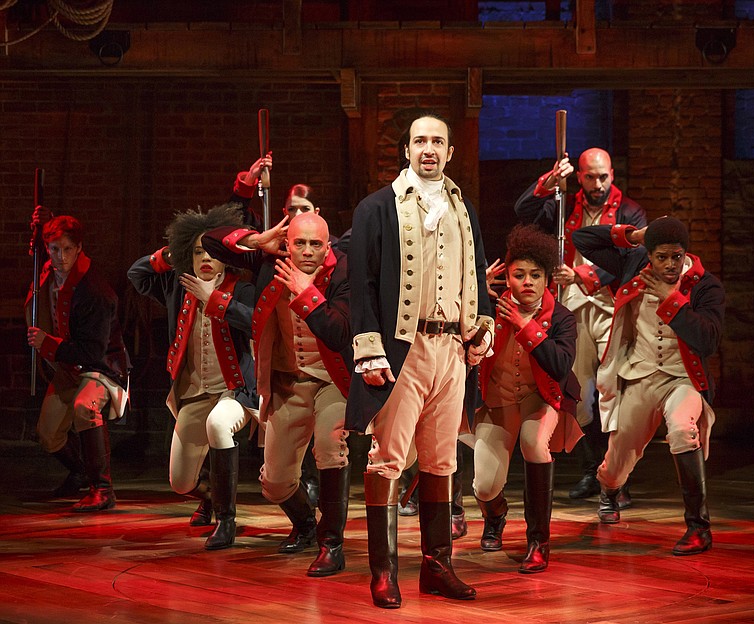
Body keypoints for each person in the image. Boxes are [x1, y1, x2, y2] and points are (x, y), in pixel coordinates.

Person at [346, 111, 494, 608]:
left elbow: (475, 276)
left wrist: (482, 327)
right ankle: (383, 570)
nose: (428, 149)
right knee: (387, 459)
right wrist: (368, 350)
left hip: (451, 348)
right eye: (419, 141)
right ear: (407, 150)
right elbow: (361, 286)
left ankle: (437, 565)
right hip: (400, 349)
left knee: (441, 460)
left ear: (450, 152)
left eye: (437, 142)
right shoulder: (375, 208)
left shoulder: (463, 209)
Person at [202, 211, 352, 577]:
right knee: (275, 481)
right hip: (288, 380)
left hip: (334, 380)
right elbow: (209, 241)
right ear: (288, 244)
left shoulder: (344, 270)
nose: (306, 252)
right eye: (299, 243)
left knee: (330, 447)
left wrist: (307, 293)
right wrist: (257, 241)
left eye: (315, 244)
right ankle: (306, 526)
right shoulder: (272, 260)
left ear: (327, 245)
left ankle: (332, 544)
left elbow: (341, 332)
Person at [572, 216, 724, 556]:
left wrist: (672, 299)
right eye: (662, 256)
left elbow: (708, 339)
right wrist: (633, 235)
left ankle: (699, 527)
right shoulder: (632, 263)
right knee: (616, 463)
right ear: (649, 254)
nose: (670, 265)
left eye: (676, 256)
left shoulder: (704, 285)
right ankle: (610, 490)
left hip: (682, 378)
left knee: (684, 430)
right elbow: (583, 239)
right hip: (639, 374)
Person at [515, 148, 647, 503]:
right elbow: (524, 211)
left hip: (609, 304)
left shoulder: (629, 210)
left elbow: (632, 256)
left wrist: (583, 274)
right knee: (581, 391)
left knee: (612, 391)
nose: (598, 184)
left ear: (612, 174)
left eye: (603, 176)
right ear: (581, 177)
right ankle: (592, 472)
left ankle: (617, 478)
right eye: (590, 176)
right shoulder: (565, 204)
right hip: (570, 306)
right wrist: (549, 181)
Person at [128, 204, 259, 550]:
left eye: (212, 251)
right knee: (180, 482)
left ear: (224, 257)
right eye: (198, 250)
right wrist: (171, 253)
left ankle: (226, 521)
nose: (205, 258)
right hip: (194, 393)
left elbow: (255, 322)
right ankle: (213, 496)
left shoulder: (240, 289)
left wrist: (214, 299)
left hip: (235, 392)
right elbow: (137, 275)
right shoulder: (177, 285)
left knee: (219, 424)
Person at [472, 223, 582, 573]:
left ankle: (538, 541)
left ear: (548, 278)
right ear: (508, 277)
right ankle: (496, 514)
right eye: (519, 274)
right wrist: (474, 292)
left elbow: (560, 365)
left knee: (535, 444)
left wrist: (524, 324)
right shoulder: (488, 308)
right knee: (486, 485)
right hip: (498, 400)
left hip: (540, 399)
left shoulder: (561, 318)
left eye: (536, 274)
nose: (528, 282)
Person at [26, 212, 130, 512]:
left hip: (101, 367)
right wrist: (38, 230)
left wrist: (49, 344)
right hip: (68, 365)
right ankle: (81, 471)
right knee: (47, 435)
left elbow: (93, 352)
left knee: (86, 407)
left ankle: (103, 488)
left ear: (79, 248)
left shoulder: (95, 291)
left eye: (67, 249)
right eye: (54, 249)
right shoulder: (47, 271)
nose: (60, 257)